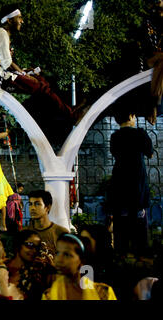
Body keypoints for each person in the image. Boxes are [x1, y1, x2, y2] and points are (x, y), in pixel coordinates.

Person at [0, 6, 89, 125]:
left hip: (1, 75)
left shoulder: (1, 33)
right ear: (9, 20)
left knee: (41, 82)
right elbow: (7, 64)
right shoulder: (1, 34)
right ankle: (71, 116)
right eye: (19, 18)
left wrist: (25, 71)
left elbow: (4, 63)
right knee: (40, 86)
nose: (22, 21)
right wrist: (23, 73)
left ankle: (69, 111)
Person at [106, 106, 153, 257]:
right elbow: (150, 153)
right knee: (140, 232)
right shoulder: (140, 133)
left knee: (121, 232)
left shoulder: (115, 137)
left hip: (120, 186)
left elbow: (114, 153)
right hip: (137, 184)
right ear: (132, 116)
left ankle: (121, 258)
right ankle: (141, 260)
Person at [42, 233, 117, 300]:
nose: (59, 259)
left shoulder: (103, 294)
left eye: (67, 254)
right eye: (58, 253)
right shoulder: (49, 296)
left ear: (82, 260)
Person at [6, 230, 55, 300]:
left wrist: (53, 269)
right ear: (19, 244)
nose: (34, 250)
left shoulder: (39, 271)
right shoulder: (2, 267)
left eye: (37, 247)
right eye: (30, 245)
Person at [25, 190, 69, 259]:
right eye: (30, 204)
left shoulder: (60, 232)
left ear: (47, 207)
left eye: (37, 204)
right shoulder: (25, 232)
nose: (32, 208)